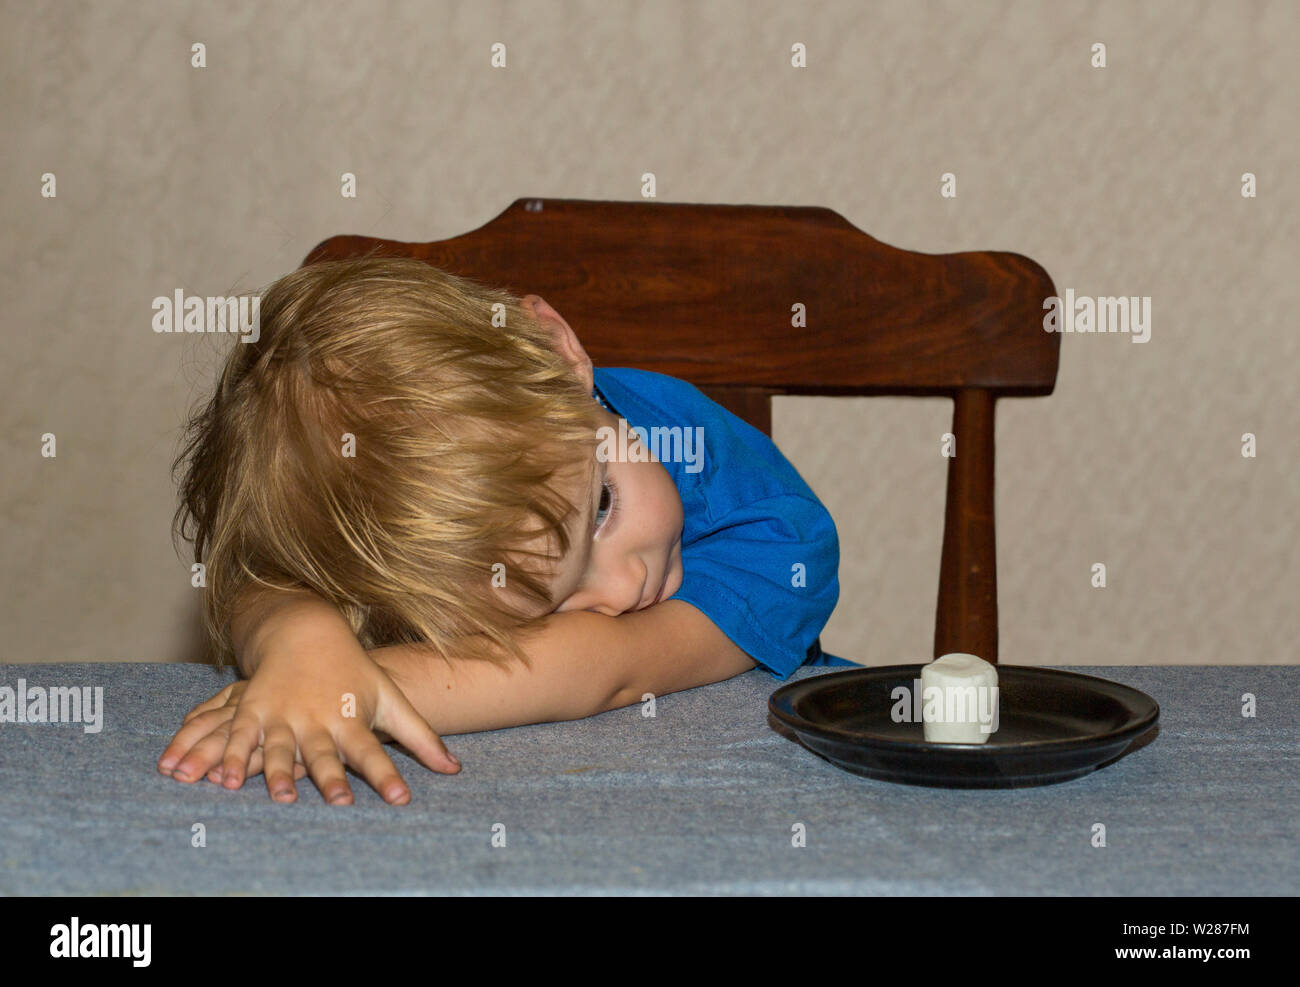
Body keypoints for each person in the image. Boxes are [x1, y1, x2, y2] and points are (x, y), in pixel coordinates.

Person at [158, 257, 852, 805]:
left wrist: (348, 688)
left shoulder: (776, 535)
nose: (622, 587)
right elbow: (258, 580)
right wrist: (300, 638)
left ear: (559, 352)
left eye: (604, 506)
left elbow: (607, 667)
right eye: (549, 603)